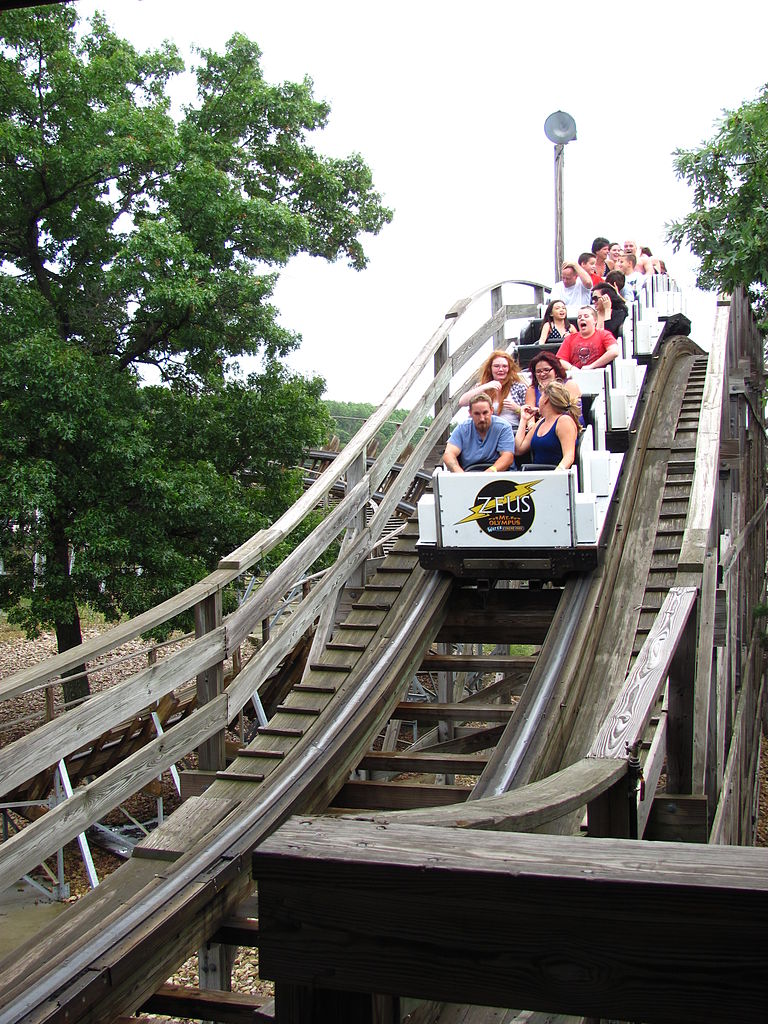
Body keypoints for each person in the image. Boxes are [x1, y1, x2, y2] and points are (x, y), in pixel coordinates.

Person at [515, 381, 582, 471]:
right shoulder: (541, 422)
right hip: (536, 476)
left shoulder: (564, 421)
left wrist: (555, 474)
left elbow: (569, 456)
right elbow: (519, 449)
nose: (539, 400)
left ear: (546, 399)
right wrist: (523, 419)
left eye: (541, 395)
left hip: (554, 476)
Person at [443, 394, 515, 473]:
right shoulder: (462, 428)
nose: (482, 418)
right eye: (477, 414)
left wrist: (488, 473)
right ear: (470, 413)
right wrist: (459, 473)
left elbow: (507, 457)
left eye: (485, 413)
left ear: (491, 410)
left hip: (498, 474)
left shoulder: (503, 427)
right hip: (469, 474)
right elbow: (449, 454)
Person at [458, 349, 527, 430]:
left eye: (504, 366)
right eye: (496, 366)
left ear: (509, 369)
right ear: (490, 368)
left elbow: (529, 416)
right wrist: (485, 386)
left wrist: (517, 409)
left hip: (512, 430)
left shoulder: (519, 387)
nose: (501, 369)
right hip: (486, 431)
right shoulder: (482, 387)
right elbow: (462, 402)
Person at [524, 350, 583, 422]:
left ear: (556, 371)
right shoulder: (532, 390)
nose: (542, 374)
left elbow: (570, 410)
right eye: (538, 371)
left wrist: (539, 411)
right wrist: (532, 426)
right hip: (542, 428)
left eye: (546, 370)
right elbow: (529, 415)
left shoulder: (570, 385)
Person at [556, 306, 619, 370]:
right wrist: (572, 369)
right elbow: (560, 360)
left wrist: (592, 366)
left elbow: (614, 351)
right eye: (579, 317)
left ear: (595, 320)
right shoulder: (569, 339)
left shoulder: (604, 334)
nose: (582, 319)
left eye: (586, 316)